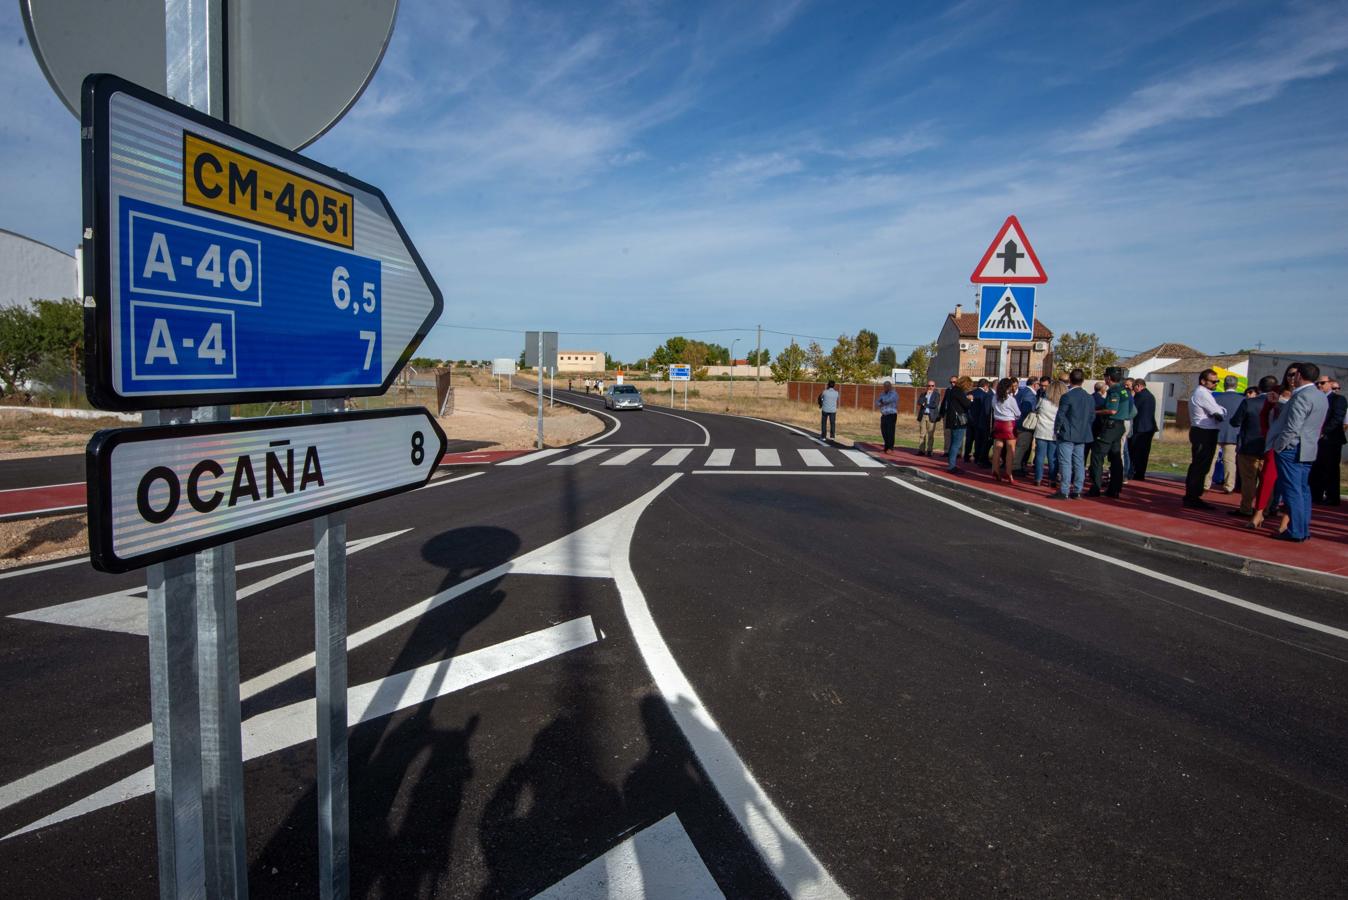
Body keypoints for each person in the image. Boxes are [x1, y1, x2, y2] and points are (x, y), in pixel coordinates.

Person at [1264, 362, 1330, 541]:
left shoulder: (1302, 396)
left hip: (1292, 447)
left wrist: (1280, 445)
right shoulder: (1320, 396)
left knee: (1292, 490)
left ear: (1299, 375)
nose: (1292, 378)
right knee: (1302, 489)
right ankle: (1302, 529)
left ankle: (1296, 531)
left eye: (1294, 375)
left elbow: (1293, 426)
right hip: (1308, 447)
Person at [1229, 376, 1277, 518]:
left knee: (1249, 479)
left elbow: (1235, 422)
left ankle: (1246, 508)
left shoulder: (1249, 403)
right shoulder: (1279, 404)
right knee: (1267, 479)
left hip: (1249, 446)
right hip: (1269, 446)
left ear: (1259, 388)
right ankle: (1265, 508)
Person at [1183, 368, 1227, 510]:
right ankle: (1193, 496)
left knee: (1201, 465)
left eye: (1217, 381)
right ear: (1203, 381)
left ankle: (1193, 494)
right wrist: (1221, 412)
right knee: (1200, 466)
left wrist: (1221, 412)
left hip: (1204, 431)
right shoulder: (1202, 393)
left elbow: (1220, 411)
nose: (1216, 384)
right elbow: (1219, 411)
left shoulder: (1205, 393)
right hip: (1204, 432)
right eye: (1213, 381)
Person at [1050, 368, 1094, 499]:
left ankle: (1064, 490)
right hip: (1082, 433)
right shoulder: (1089, 397)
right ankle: (1078, 489)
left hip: (1067, 433)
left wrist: (1056, 429)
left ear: (1070, 379)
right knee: (1079, 463)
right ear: (1083, 380)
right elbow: (1092, 416)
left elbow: (1061, 415)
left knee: (1065, 462)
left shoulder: (1067, 396)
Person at [1206, 375, 1245, 493]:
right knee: (1230, 461)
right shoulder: (1242, 399)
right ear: (1236, 385)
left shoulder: (1215, 398)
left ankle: (1205, 484)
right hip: (1233, 434)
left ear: (1224, 385)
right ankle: (1229, 486)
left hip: (1216, 432)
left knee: (1210, 460)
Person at [1310, 376, 1345, 506]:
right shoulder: (1316, 398)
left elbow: (1337, 418)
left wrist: (1323, 431)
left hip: (1331, 440)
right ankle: (1316, 495)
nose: (1319, 385)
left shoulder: (1338, 399)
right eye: (1317, 383)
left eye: (1322, 383)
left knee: (1330, 469)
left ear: (1330, 384)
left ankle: (1332, 497)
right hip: (1316, 439)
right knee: (1316, 468)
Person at [1033, 379, 1065, 487]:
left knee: (1040, 456)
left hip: (1041, 430)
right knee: (1052, 458)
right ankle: (1052, 479)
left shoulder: (1043, 401)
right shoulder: (1061, 404)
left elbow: (1036, 410)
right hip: (1054, 432)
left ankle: (1038, 478)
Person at [990, 377, 1020, 484]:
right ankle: (1008, 472)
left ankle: (995, 469)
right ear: (1008, 387)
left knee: (997, 448)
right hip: (1009, 424)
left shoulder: (995, 397)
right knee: (1010, 450)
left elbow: (993, 408)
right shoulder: (1011, 399)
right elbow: (1018, 413)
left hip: (998, 423)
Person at [1128, 379, 1158, 481]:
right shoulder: (1150, 395)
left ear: (1138, 386)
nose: (1133, 389)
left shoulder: (1140, 396)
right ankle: (1140, 473)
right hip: (1148, 427)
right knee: (1144, 452)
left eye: (1133, 387)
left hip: (1140, 428)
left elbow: (1132, 409)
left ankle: (1134, 472)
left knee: (1135, 451)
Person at [942, 376, 973, 472]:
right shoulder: (959, 391)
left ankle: (951, 464)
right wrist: (970, 399)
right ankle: (952, 466)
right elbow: (967, 404)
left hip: (952, 420)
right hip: (958, 421)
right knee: (956, 444)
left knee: (953, 443)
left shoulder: (952, 391)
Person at [1013, 378, 1038, 475]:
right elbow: (1026, 409)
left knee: (1021, 446)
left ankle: (1018, 465)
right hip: (1025, 424)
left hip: (1019, 423)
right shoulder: (1029, 394)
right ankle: (1016, 467)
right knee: (1022, 446)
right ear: (1035, 384)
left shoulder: (1022, 391)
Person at [970, 379, 994, 466]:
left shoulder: (975, 393)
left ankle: (978, 458)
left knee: (978, 441)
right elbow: (987, 411)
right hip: (985, 422)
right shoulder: (989, 395)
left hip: (977, 421)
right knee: (984, 441)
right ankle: (982, 459)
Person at [916, 380, 941, 456]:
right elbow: (919, 402)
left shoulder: (937, 394)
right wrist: (926, 396)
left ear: (934, 386)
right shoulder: (923, 394)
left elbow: (935, 405)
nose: (930, 387)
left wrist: (925, 404)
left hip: (931, 416)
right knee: (922, 434)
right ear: (927, 386)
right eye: (929, 386)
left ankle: (929, 450)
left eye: (932, 386)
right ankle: (921, 450)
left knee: (930, 434)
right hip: (923, 415)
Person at [875, 380, 899, 453]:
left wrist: (882, 402)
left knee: (890, 432)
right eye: (884, 386)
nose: (886, 387)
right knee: (884, 431)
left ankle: (890, 448)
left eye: (887, 386)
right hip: (884, 415)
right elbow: (877, 402)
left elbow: (888, 400)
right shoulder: (882, 394)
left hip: (891, 415)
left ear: (890, 386)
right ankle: (886, 447)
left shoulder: (894, 393)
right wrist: (881, 402)